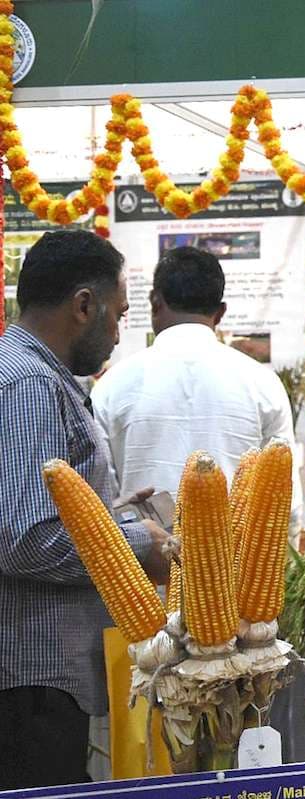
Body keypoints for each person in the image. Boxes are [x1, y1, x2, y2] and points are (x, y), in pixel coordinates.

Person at [0, 229, 171, 789]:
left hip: (41, 679)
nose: (120, 333)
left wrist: (111, 515)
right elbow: (22, 539)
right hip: (31, 678)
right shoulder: (27, 384)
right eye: (119, 315)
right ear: (83, 305)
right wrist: (142, 544)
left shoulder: (39, 377)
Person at [92, 246, 304, 545]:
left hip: (140, 582)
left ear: (155, 303)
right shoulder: (262, 383)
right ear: (221, 313)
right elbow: (285, 501)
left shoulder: (111, 387)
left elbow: (101, 499)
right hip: (237, 584)